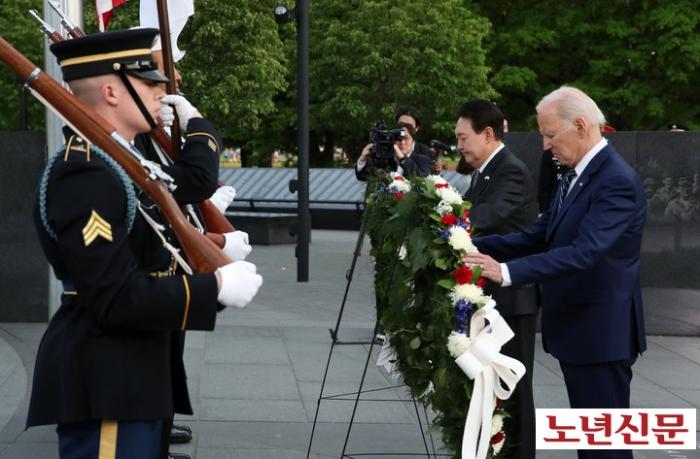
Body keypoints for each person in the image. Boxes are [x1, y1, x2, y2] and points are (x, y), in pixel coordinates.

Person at [26, 28, 263, 458]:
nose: (162, 89)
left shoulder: (124, 163)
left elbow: (152, 248)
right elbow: (112, 295)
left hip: (134, 372)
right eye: (149, 80)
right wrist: (214, 289)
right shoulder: (86, 175)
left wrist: (213, 254)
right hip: (107, 378)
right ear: (112, 92)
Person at [464, 86, 646, 459]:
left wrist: (507, 272)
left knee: (605, 448)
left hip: (600, 335)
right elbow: (540, 235)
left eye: (549, 134)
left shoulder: (616, 180)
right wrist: (471, 244)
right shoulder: (576, 173)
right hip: (581, 331)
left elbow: (584, 253)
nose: (545, 146)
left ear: (580, 126)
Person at [135, 35, 252, 458]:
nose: (177, 78)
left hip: (168, 273)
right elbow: (190, 184)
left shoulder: (152, 136)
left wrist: (211, 227)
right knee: (154, 363)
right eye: (165, 75)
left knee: (167, 360)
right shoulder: (135, 141)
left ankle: (159, 434)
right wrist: (200, 126)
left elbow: (182, 191)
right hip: (154, 277)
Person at [456, 100, 539, 459]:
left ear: (487, 134)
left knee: (514, 388)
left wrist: (445, 219)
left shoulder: (510, 170)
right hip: (493, 297)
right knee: (494, 385)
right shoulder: (486, 171)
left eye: (463, 137)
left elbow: (485, 216)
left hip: (511, 297)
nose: (459, 145)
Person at [355, 121, 432, 180]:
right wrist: (362, 159)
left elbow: (421, 177)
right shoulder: (385, 160)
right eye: (398, 139)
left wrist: (402, 158)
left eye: (406, 138)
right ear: (392, 140)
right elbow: (363, 177)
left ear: (413, 141)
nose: (402, 142)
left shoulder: (423, 160)